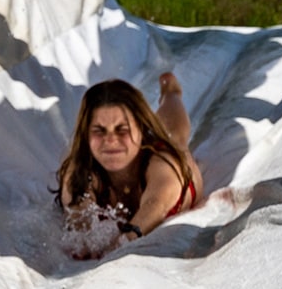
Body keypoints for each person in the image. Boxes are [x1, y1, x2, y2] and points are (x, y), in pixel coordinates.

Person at [56, 73, 205, 257]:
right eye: (99, 131)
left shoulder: (163, 166)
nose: (110, 140)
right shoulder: (79, 168)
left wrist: (126, 237)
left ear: (141, 129)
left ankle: (171, 92)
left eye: (122, 130)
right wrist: (83, 237)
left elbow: (155, 206)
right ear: (86, 135)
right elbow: (79, 221)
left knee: (173, 133)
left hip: (168, 159)